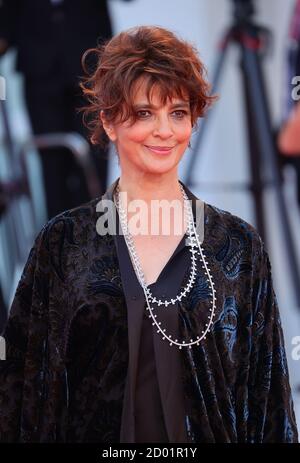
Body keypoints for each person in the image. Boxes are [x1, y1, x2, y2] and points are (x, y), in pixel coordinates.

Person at [0, 25, 298, 443]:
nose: (164, 131)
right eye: (144, 113)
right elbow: (22, 393)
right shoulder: (64, 243)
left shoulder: (236, 245)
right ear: (108, 121)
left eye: (177, 112)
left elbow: (268, 401)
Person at [0, 0, 114, 218]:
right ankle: (57, 244)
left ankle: (95, 239)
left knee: (94, 158)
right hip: (39, 70)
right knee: (51, 168)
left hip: (90, 64)